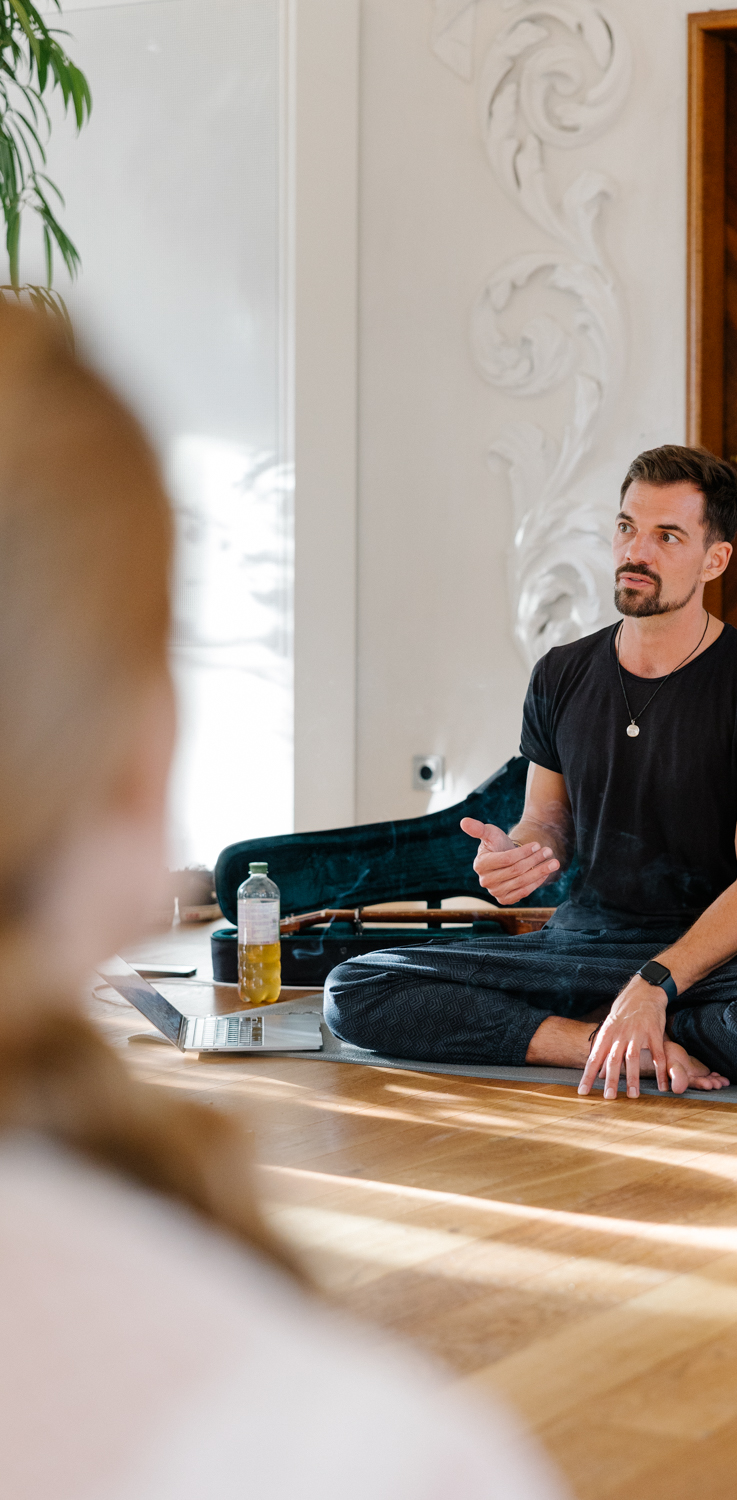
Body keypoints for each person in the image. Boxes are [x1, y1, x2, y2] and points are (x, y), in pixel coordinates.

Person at [0, 307, 566, 1500]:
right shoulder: (346, 1451)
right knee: (367, 989)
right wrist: (529, 860)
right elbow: (536, 831)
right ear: (135, 751)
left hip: (664, 950)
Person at [326, 445, 737, 1101]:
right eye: (627, 527)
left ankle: (630, 1021)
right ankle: (597, 1044)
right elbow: (547, 818)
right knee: (354, 988)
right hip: (579, 947)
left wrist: (655, 984)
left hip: (714, 959)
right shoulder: (560, 673)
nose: (637, 551)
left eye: (667, 536)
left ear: (714, 560)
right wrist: (524, 853)